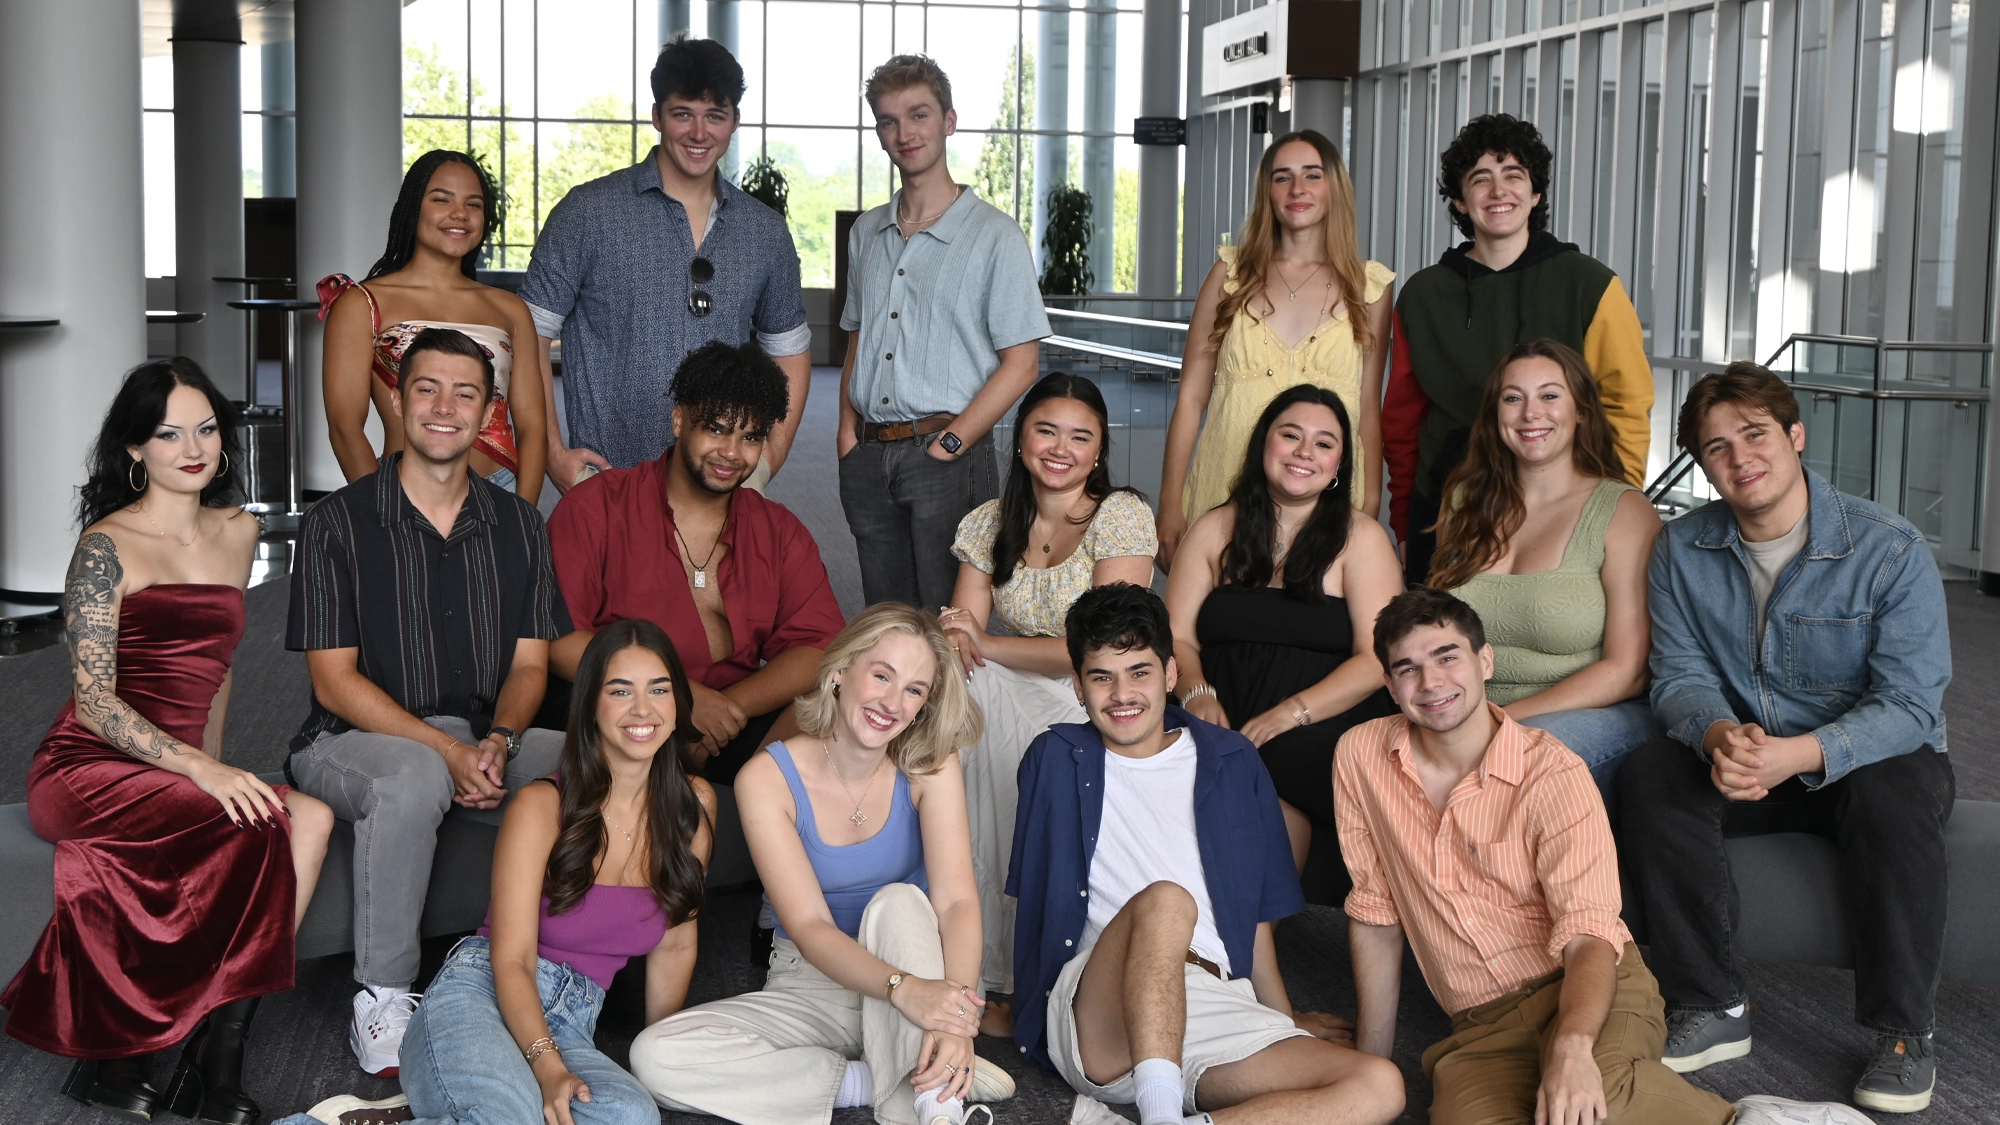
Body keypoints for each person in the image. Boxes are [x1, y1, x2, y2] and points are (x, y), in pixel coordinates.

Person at [1338, 587, 1871, 1125]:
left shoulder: (1553, 773)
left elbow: (1589, 934)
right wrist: (1368, 1068)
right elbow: (1376, 913)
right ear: (1388, 684)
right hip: (1481, 1026)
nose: (1431, 683)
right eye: (1407, 669)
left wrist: (1570, 1050)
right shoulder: (1361, 756)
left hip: (1588, 987)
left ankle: (1746, 1120)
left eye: (1447, 657)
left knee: (1595, 1105)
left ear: (1485, 660)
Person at [2, 359, 334, 1125]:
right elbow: (91, 701)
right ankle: (179, 1062)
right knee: (258, 829)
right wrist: (200, 772)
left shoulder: (239, 528)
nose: (193, 447)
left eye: (207, 428)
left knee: (309, 818)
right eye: (168, 433)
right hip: (88, 764)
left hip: (180, 764)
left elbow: (215, 674)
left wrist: (216, 766)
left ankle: (218, 1045)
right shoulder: (106, 546)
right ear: (134, 449)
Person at [1620, 363, 1954, 1114]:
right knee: (1649, 773)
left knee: (1893, 787)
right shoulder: (1681, 550)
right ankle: (1711, 1003)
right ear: (1703, 468)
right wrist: (1718, 738)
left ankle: (1905, 1033)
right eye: (1716, 448)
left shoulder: (1889, 548)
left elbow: (1909, 701)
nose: (1740, 458)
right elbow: (1676, 673)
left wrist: (1800, 753)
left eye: (1755, 433)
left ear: (1795, 435)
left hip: (1874, 758)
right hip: (1750, 756)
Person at [286, 621, 716, 1125]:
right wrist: (548, 1067)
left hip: (573, 1022)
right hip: (483, 994)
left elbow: (675, 945)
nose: (643, 709)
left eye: (658, 690)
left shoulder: (693, 809)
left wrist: (660, 1058)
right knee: (506, 1118)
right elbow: (510, 960)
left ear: (677, 702)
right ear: (590, 706)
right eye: (620, 691)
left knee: (632, 1116)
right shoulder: (541, 803)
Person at [1008, 582, 1404, 1125]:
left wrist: (1281, 1021)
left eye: (1140, 672)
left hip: (1212, 999)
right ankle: (1161, 1110)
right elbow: (1033, 901)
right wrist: (1019, 1011)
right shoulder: (1055, 758)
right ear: (1077, 685)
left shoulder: (1232, 758)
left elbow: (1254, 918)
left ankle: (1167, 1117)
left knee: (1378, 1086)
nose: (1122, 694)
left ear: (1171, 674)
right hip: (1101, 1008)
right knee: (1169, 901)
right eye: (1102, 677)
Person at [286, 327, 572, 1077]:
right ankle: (381, 994)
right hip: (350, 739)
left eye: (465, 393)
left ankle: (561, 966)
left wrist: (501, 740)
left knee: (597, 758)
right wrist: (447, 751)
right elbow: (333, 683)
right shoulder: (334, 524)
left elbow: (532, 664)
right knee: (413, 774)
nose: (444, 407)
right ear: (397, 401)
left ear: (489, 416)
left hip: (484, 734)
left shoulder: (520, 525)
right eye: (426, 388)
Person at [630, 603, 1017, 1125]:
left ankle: (934, 1102)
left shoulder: (930, 761)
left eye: (914, 690)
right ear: (841, 672)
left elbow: (956, 902)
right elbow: (810, 928)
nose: (892, 703)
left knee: (900, 901)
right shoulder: (765, 780)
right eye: (882, 675)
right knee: (654, 1056)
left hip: (917, 962)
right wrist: (905, 993)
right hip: (815, 982)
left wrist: (956, 1016)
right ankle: (885, 1077)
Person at [935, 372, 1156, 1036]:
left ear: (1099, 450)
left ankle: (1011, 973)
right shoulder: (989, 522)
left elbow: (1101, 646)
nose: (1061, 448)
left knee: (1002, 727)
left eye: (1080, 437)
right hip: (1003, 679)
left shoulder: (1119, 514)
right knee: (956, 694)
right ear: (1020, 436)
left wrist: (990, 646)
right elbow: (959, 636)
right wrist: (975, 645)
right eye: (1046, 431)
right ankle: (964, 956)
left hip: (1096, 692)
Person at [520, 36, 811, 489]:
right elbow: (528, 332)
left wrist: (770, 455)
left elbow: (789, 348)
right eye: (683, 114)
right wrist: (551, 452)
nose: (699, 133)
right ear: (657, 116)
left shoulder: (765, 231)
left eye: (715, 116)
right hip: (609, 480)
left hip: (718, 484)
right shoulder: (588, 211)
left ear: (735, 121)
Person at [549, 339, 844, 785]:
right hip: (623, 714)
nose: (732, 452)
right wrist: (680, 697)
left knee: (841, 704)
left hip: (728, 724)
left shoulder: (778, 530)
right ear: (679, 420)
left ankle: (754, 808)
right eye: (717, 429)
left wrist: (729, 711)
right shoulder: (596, 507)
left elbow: (820, 647)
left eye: (750, 437)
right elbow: (557, 639)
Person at [1385, 114, 1652, 584]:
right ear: (1460, 201)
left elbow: (1626, 406)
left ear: (1536, 194)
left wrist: (1618, 510)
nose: (1498, 190)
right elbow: (1403, 420)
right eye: (1480, 179)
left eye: (1514, 175)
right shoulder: (1422, 295)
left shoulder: (1591, 285)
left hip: (1565, 506)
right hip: (1446, 505)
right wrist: (1405, 516)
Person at [1164, 386, 1401, 895]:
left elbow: (1377, 658)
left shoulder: (1362, 539)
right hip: (1219, 705)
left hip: (1324, 713)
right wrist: (1197, 693)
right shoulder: (1213, 529)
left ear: (1339, 463)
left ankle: (1246, 945)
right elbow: (1176, 636)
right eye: (1290, 435)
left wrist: (1289, 714)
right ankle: (1248, 948)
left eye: (1323, 443)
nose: (1303, 453)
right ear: (1263, 445)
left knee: (1267, 760)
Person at [839, 55, 1051, 610]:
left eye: (919, 115)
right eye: (888, 121)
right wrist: (845, 434)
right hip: (868, 452)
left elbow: (1022, 363)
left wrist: (954, 442)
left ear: (949, 121)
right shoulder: (866, 232)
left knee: (950, 619)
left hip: (945, 453)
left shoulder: (995, 236)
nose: (904, 133)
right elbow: (858, 336)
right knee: (885, 620)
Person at [1425, 339, 1663, 812]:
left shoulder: (1624, 511)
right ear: (1496, 415)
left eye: (1550, 396)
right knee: (1369, 751)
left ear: (1581, 413)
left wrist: (1500, 722)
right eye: (1513, 398)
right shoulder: (1463, 501)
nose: (1531, 413)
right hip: (1469, 710)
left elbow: (1627, 670)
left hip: (1592, 715)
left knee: (1509, 765)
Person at [1156, 130, 1393, 572]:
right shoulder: (1230, 275)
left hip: (1324, 494)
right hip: (1223, 486)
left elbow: (1366, 406)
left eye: (1312, 175)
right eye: (1282, 177)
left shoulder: (1370, 289)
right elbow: (1191, 396)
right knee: (1212, 629)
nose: (1297, 189)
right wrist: (1170, 503)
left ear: (1334, 187)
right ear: (1267, 191)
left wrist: (1370, 500)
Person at [320, 149, 549, 502]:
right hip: (402, 495)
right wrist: (380, 510)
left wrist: (524, 517)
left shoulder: (510, 309)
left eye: (474, 205)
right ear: (413, 208)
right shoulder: (361, 304)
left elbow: (533, 428)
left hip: (498, 493)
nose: (460, 214)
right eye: (442, 199)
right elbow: (344, 427)